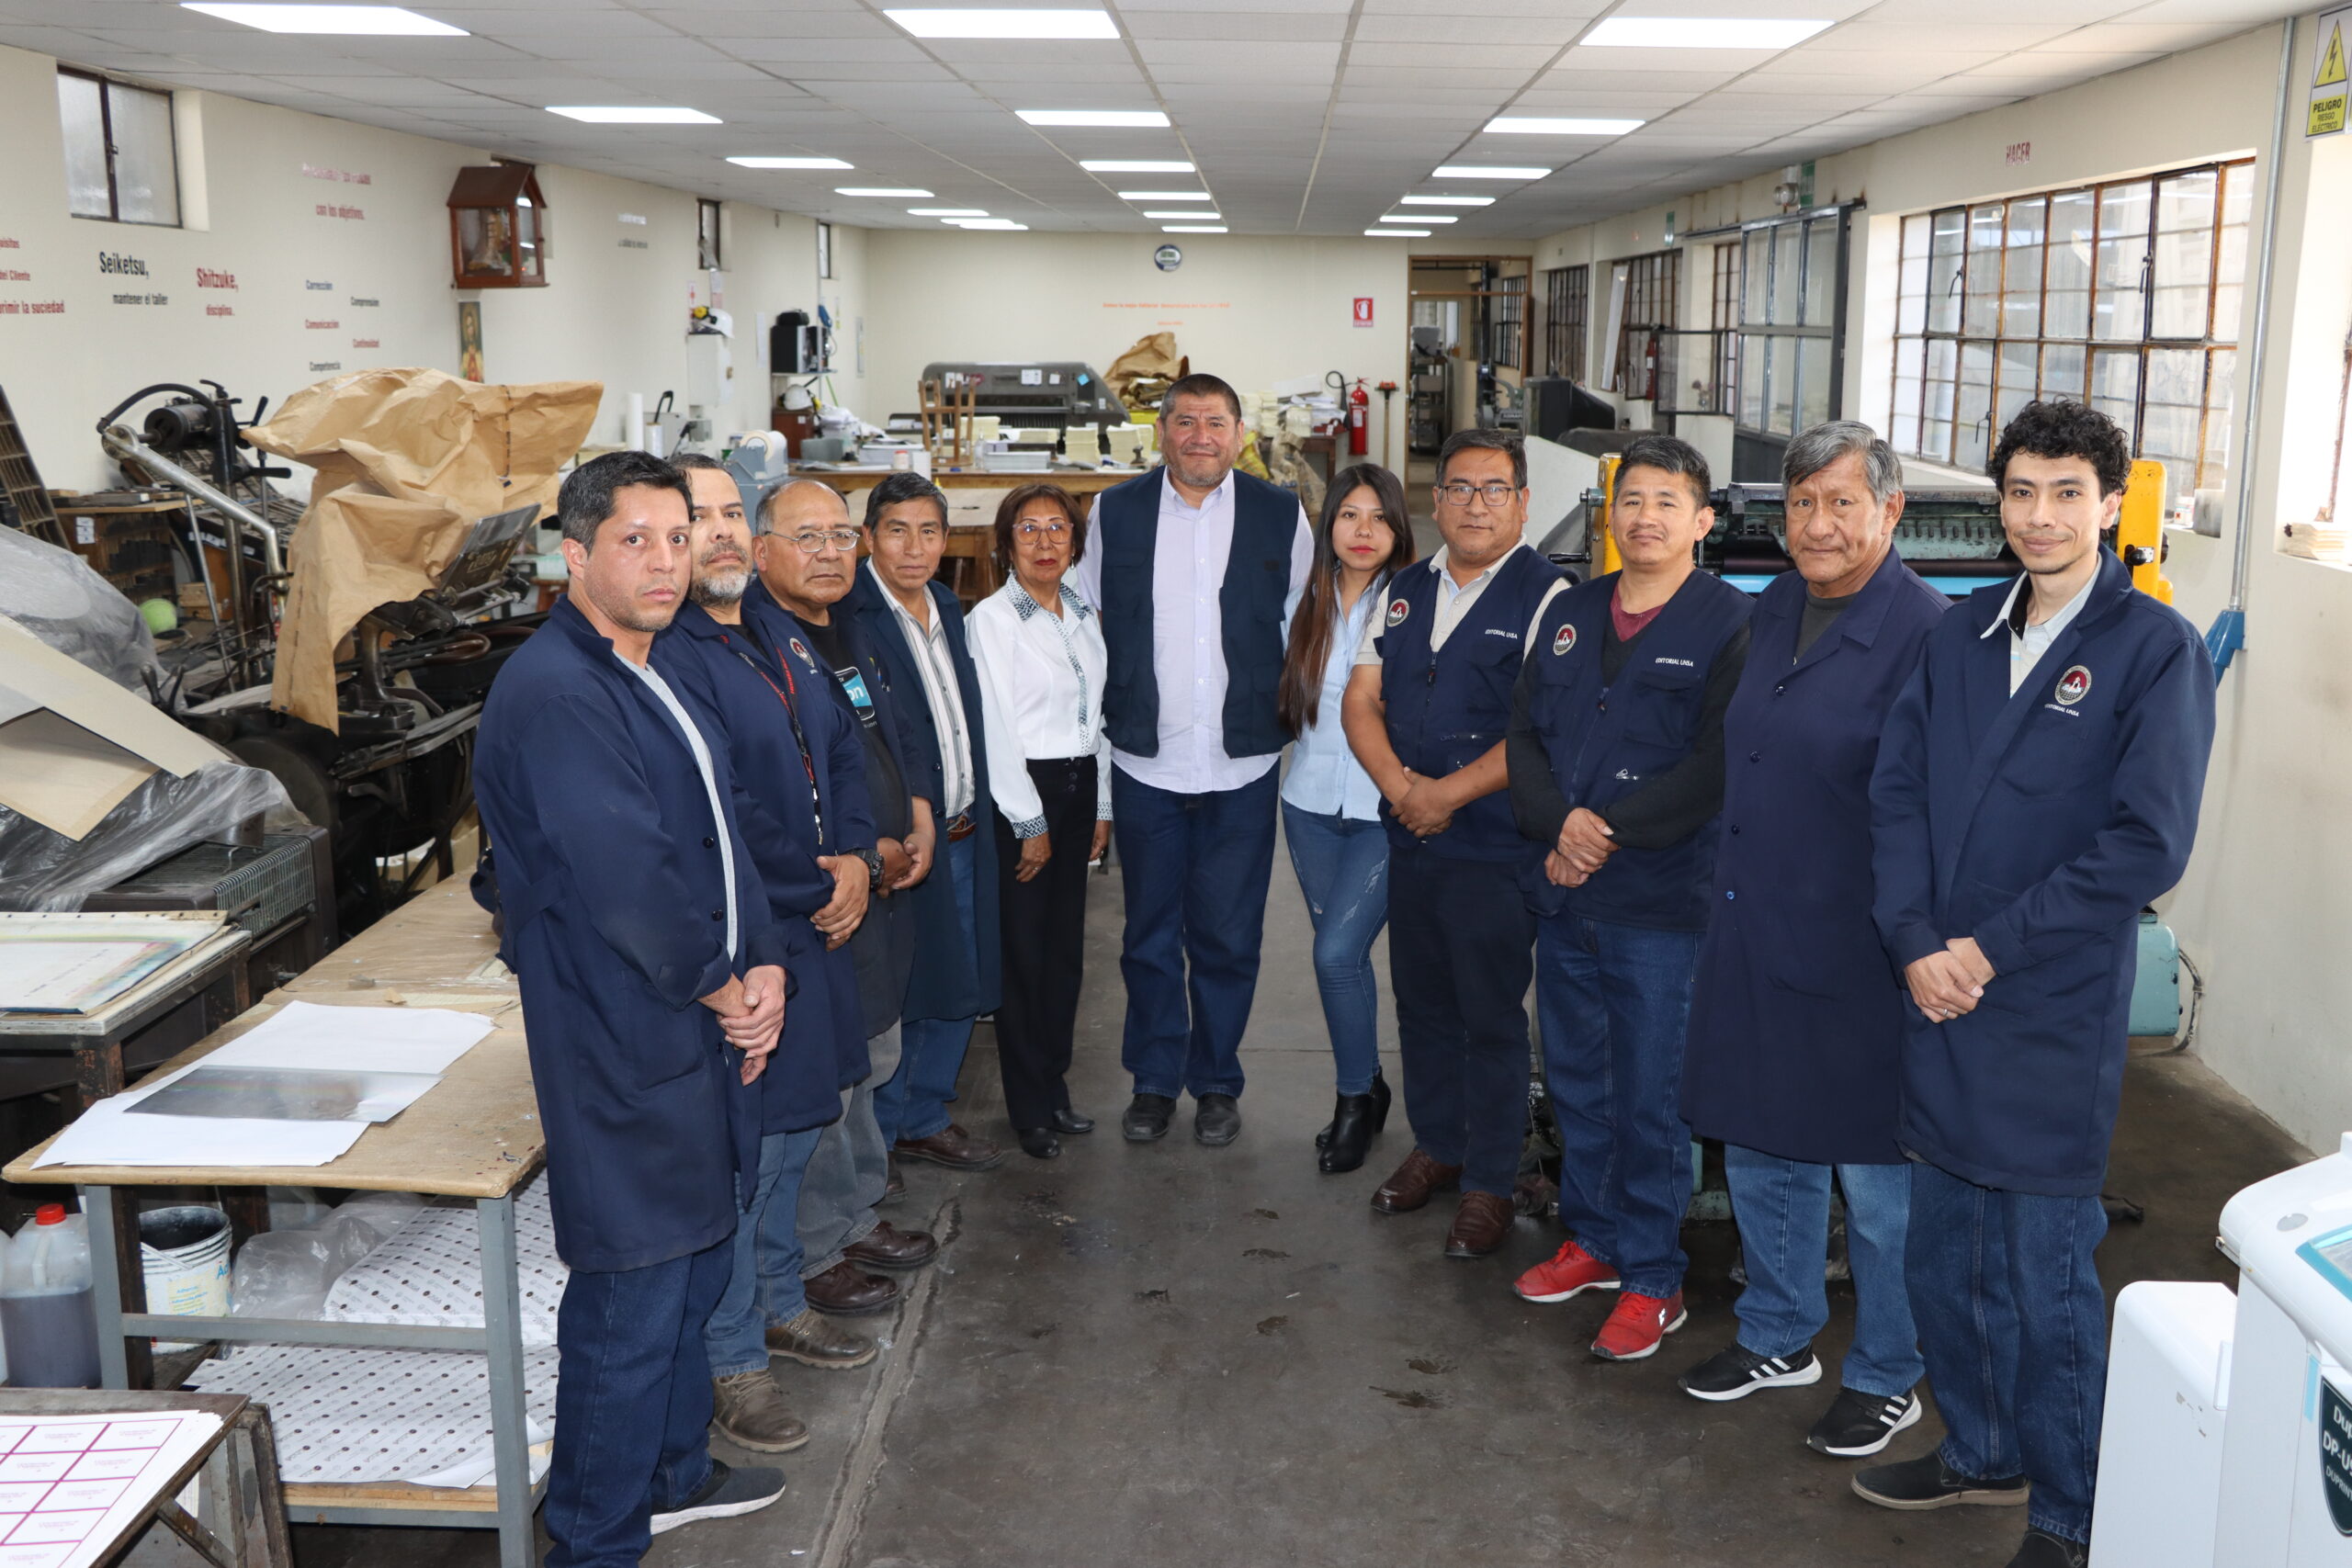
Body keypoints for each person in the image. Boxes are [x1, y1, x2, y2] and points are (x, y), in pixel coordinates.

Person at [1860, 401, 2217, 1568]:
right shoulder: (1958, 633)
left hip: (2045, 1003)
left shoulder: (2152, 649)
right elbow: (1895, 794)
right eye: (2020, 491)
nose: (2040, 516)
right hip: (1935, 990)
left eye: (2066, 493)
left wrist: (1986, 950)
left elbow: (2143, 844)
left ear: (2110, 505)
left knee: (2043, 1275)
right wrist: (1913, 938)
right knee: (1941, 1254)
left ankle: (2070, 1511)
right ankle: (1980, 1452)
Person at [471, 451, 789, 1567]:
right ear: (575, 555)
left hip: (694, 1019)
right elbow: (628, 882)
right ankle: (596, 1538)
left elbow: (721, 828)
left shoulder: (655, 663)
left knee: (697, 1262)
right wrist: (726, 987)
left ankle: (670, 1472)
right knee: (634, 1294)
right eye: (635, 540)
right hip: (621, 1032)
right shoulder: (560, 691)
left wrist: (768, 964)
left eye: (677, 537)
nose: (666, 561)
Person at [1669, 423, 1947, 1444]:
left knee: (1878, 1184)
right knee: (1761, 1143)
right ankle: (1779, 1332)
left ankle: (1889, 1368)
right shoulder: (1778, 605)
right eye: (1800, 504)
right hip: (1753, 925)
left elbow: (1939, 813)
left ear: (1889, 510)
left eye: (1840, 502)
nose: (1817, 525)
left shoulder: (1929, 636)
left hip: (1861, 948)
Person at [1502, 434, 1752, 1361]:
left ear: (1702, 521)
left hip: (1658, 906)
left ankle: (1653, 1274)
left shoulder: (1731, 624)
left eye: (1666, 502)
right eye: (1632, 500)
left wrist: (1598, 833)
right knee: (1578, 1082)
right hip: (1566, 902)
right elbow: (1524, 738)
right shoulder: (1572, 611)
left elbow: (1717, 767)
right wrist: (1557, 824)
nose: (1645, 518)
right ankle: (1596, 1238)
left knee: (1649, 1097)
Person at [660, 456, 881, 1453]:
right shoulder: (674, 652)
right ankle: (732, 1358)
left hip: (817, 922)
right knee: (747, 1156)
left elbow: (841, 745)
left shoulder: (771, 626)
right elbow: (725, 806)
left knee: (798, 1128)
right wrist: (819, 881)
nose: (716, 532)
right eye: (692, 517)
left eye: (726, 512)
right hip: (754, 933)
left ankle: (783, 1301)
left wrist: (860, 859)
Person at [1071, 373, 1314, 1147]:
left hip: (1242, 763)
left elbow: (1303, 622)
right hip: (1146, 758)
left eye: (1215, 422)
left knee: (1228, 936)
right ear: (1161, 433)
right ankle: (1152, 1080)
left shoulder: (1281, 513)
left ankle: (1215, 1081)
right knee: (1147, 934)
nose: (1199, 436)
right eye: (1184, 422)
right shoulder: (1116, 511)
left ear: (1239, 434)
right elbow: (1090, 615)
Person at [1341, 428, 1566, 1258]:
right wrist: (1405, 792)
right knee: (1423, 1002)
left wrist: (1445, 795)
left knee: (1491, 1015)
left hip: (1494, 848)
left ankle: (1491, 1180)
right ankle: (1439, 1143)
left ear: (1523, 503)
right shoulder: (1404, 588)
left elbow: (1542, 729)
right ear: (1434, 503)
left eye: (1494, 489)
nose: (1476, 505)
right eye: (1460, 489)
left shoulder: (1550, 597)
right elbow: (1360, 699)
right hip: (1414, 839)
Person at [750, 479, 942, 1320]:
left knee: (873, 1053)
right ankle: (817, 1245)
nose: (829, 552)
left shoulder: (849, 627)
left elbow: (893, 735)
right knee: (831, 1072)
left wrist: (916, 818)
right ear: (761, 552)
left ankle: (853, 1211)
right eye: (807, 537)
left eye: (839, 536)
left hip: (880, 879)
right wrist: (863, 857)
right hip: (825, 892)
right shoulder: (760, 644)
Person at [843, 470, 1006, 1175]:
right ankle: (881, 1137)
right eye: (897, 531)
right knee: (901, 988)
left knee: (957, 975)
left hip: (964, 824)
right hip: (904, 837)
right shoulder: (851, 617)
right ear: (868, 537)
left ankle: (925, 1114)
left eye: (929, 531)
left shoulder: (946, 604)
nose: (914, 548)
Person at [967, 482, 1114, 1158]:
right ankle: (1028, 1108)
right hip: (1023, 794)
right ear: (1006, 544)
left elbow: (1096, 717)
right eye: (1028, 529)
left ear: (1076, 543)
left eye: (1059, 528)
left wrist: (1102, 805)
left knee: (1063, 955)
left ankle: (1055, 1087)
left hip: (1078, 788)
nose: (1045, 542)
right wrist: (1030, 821)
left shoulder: (1080, 611)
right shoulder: (993, 621)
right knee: (1024, 957)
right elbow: (995, 728)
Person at [1276, 462, 1415, 1175]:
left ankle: (1353, 1100)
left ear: (1399, 528)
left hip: (1382, 809)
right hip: (1307, 805)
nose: (1364, 531)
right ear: (1328, 524)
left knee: (1333, 955)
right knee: (1345, 959)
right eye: (1350, 515)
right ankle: (1369, 1081)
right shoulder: (1302, 603)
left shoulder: (1416, 603)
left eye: (1380, 517)